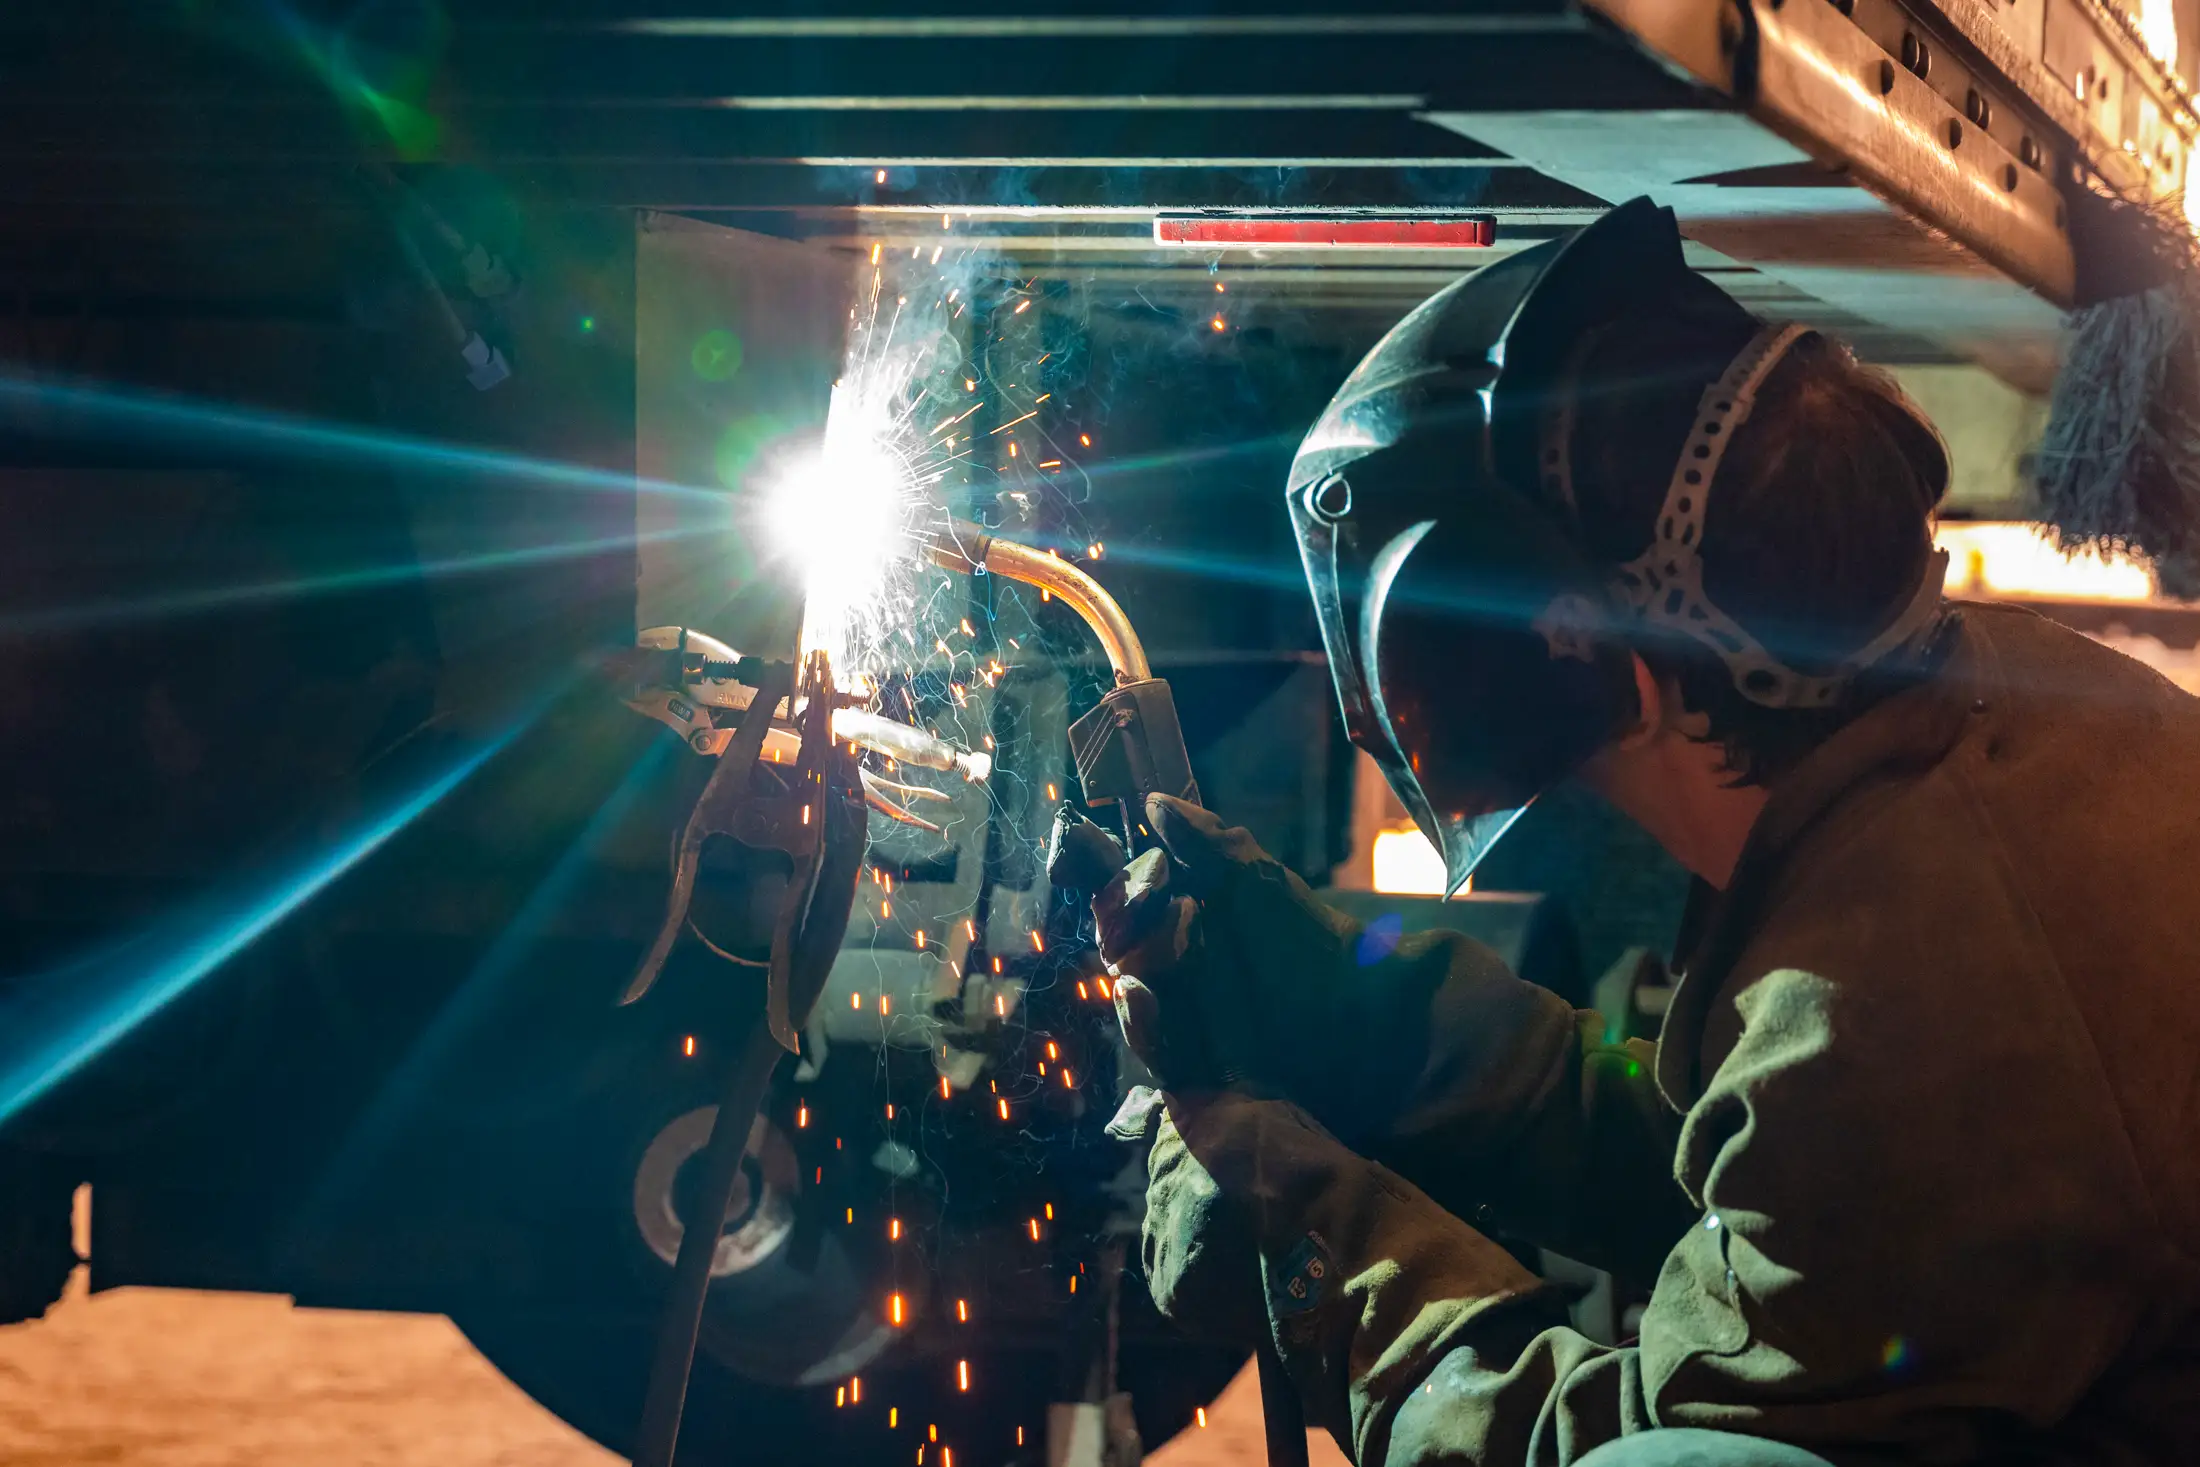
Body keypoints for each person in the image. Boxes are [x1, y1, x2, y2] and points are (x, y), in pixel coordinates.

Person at [1094, 198, 2200, 1467]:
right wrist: (1335, 1001)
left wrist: (1308, 1240)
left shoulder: (1902, 1014)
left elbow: (1639, 1451)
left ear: (1574, 663)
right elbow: (1732, 1160)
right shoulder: (2006, 711)